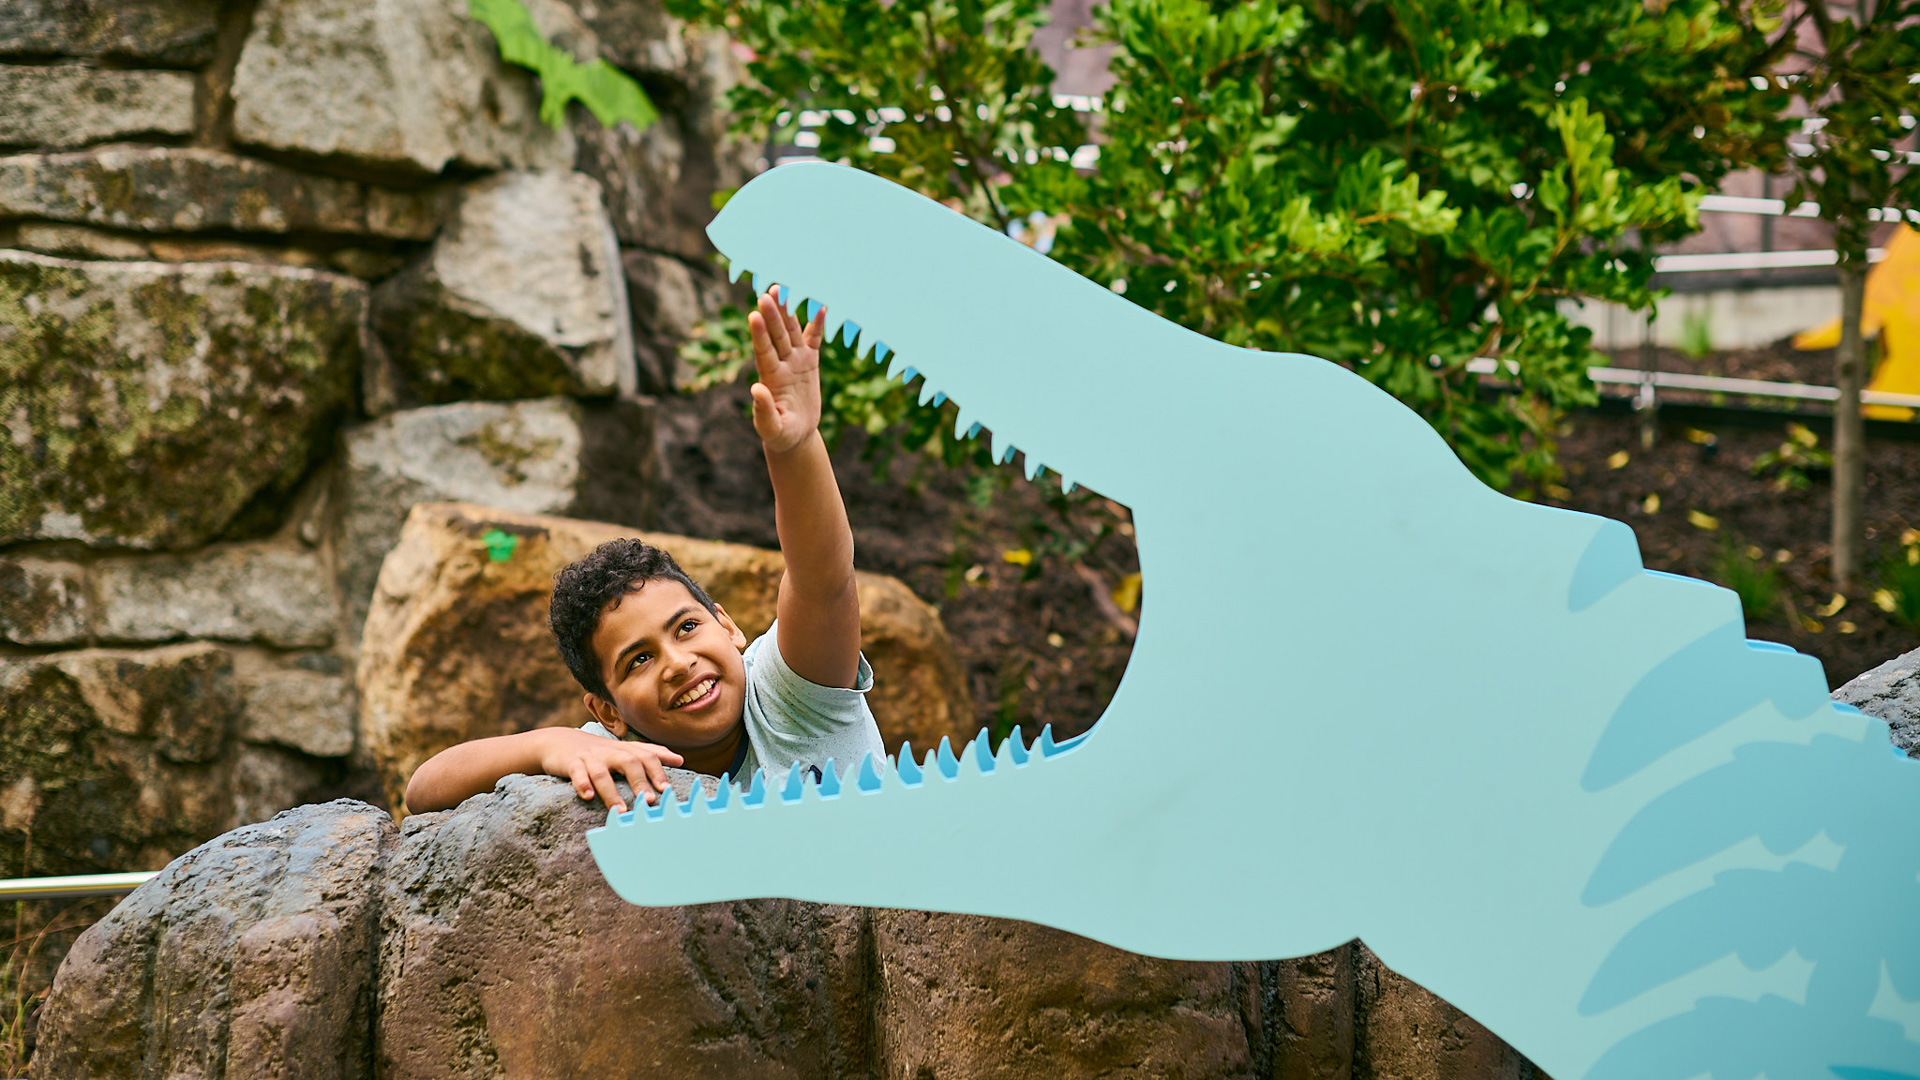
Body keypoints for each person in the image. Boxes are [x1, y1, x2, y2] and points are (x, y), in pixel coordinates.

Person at [403, 285, 883, 815]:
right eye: (639, 660)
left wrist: (794, 448)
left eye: (687, 627)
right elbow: (423, 791)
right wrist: (550, 745)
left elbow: (823, 579)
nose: (677, 663)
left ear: (727, 627)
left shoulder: (791, 695)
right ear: (608, 712)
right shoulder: (612, 754)